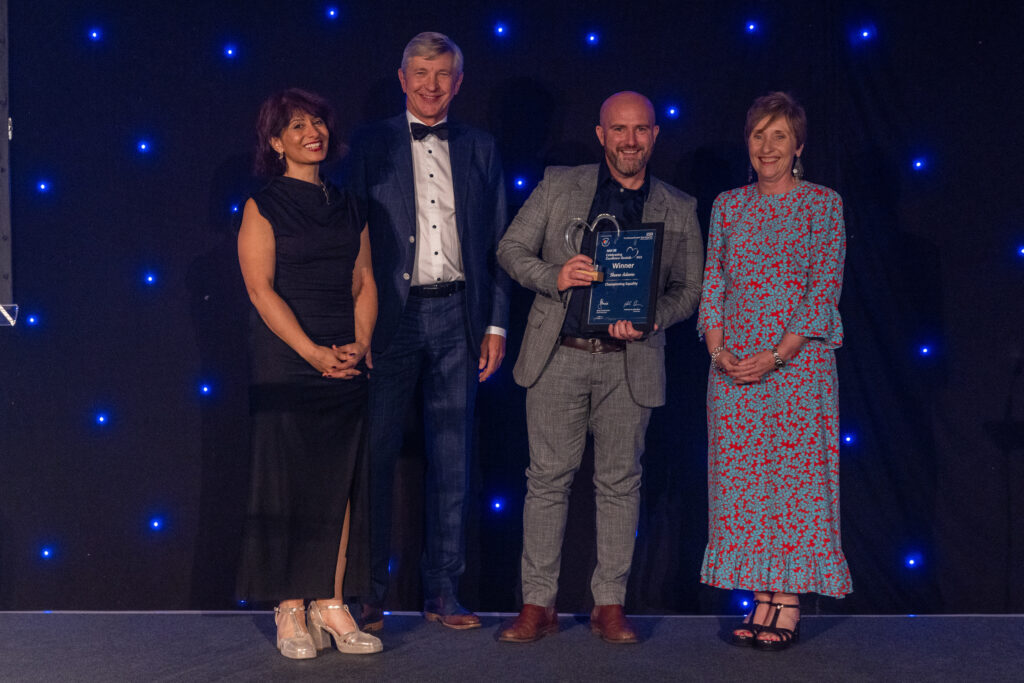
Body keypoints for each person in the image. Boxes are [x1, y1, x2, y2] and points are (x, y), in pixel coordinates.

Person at [496, 91, 704, 644]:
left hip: (629, 364)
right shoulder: (559, 184)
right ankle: (537, 604)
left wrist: (652, 319)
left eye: (640, 130)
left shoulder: (678, 206)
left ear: (655, 136)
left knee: (619, 484)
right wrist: (556, 275)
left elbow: (692, 290)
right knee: (546, 482)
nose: (630, 140)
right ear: (601, 134)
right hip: (558, 355)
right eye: (619, 130)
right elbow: (511, 250)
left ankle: (608, 603)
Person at [345, 32, 510, 630]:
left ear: (459, 82)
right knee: (376, 457)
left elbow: (497, 241)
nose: (431, 84)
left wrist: (494, 322)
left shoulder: (481, 147)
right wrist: (355, 323)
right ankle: (368, 593)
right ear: (402, 77)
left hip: (458, 314)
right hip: (390, 317)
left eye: (443, 74)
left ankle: (444, 590)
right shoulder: (368, 144)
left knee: (453, 460)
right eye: (420, 72)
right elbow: (350, 238)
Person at [697, 91, 851, 651]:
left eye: (779, 135)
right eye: (759, 134)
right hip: (733, 372)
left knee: (793, 486)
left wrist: (777, 355)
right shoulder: (727, 206)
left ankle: (788, 599)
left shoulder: (822, 205)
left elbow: (823, 289)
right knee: (744, 488)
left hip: (797, 371)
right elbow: (713, 283)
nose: (767, 146)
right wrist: (720, 355)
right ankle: (761, 594)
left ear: (798, 145)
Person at [236, 89, 382, 659]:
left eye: (317, 122)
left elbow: (364, 279)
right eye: (296, 125)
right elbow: (259, 289)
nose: (311, 132)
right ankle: (290, 608)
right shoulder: (263, 205)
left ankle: (331, 602)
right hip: (286, 358)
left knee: (340, 483)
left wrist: (360, 341)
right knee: (289, 481)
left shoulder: (350, 205)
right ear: (276, 142)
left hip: (345, 353)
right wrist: (311, 351)